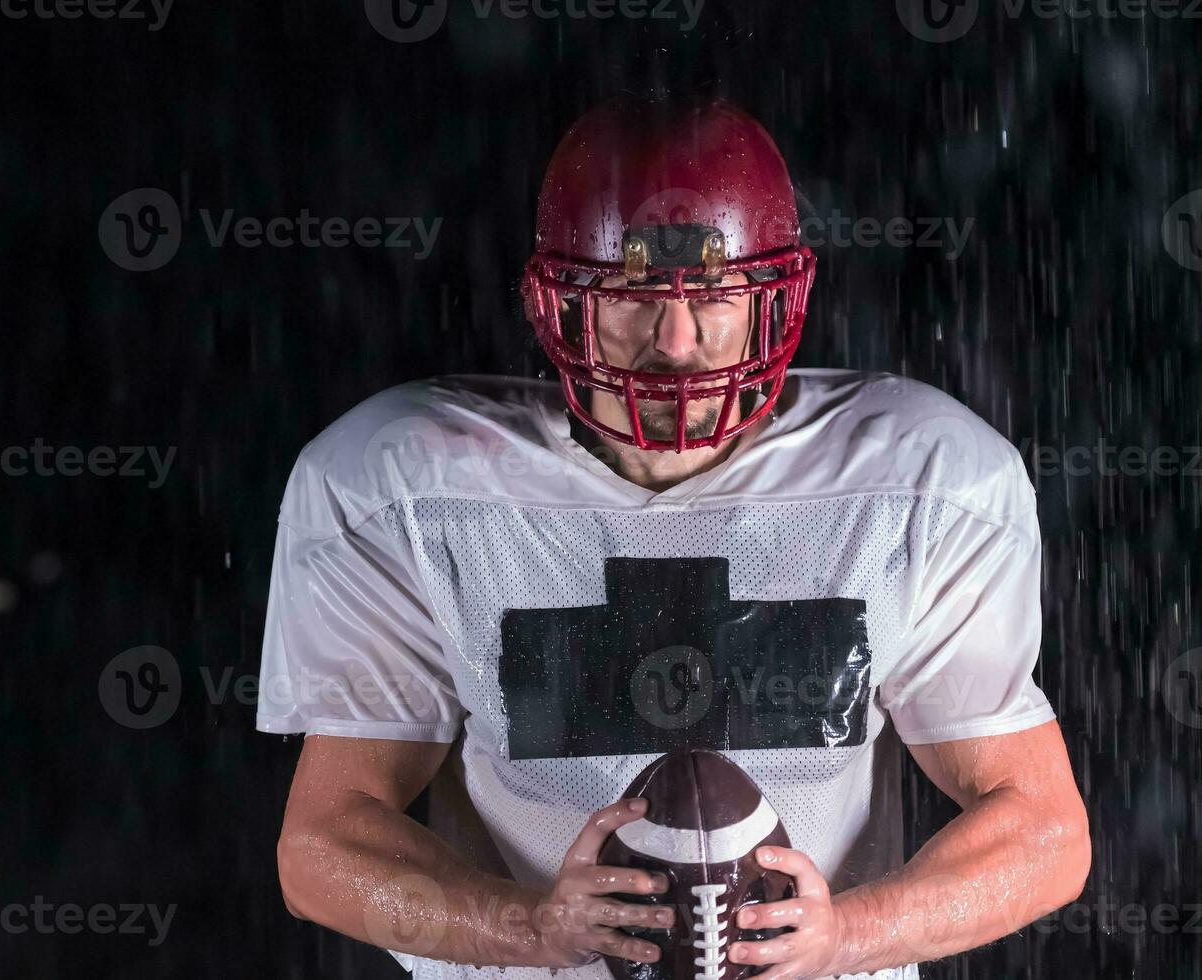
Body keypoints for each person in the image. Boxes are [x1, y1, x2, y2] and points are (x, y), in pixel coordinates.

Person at [258, 96, 1089, 980]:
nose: (678, 340)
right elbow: (322, 841)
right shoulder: (409, 490)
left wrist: (850, 936)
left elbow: (1045, 832)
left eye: (717, 294)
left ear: (776, 297)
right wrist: (526, 929)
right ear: (558, 303)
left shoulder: (919, 484)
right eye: (634, 292)